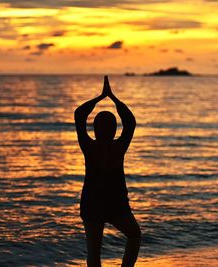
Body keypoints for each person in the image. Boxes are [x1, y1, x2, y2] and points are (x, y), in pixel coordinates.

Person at [74, 76, 141, 267]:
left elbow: (79, 115)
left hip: (93, 203)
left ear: (94, 129)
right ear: (114, 130)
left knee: (94, 253)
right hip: (115, 203)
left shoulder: (88, 146)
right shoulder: (119, 147)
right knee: (134, 235)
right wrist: (112, 97)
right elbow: (130, 122)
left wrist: (100, 97)